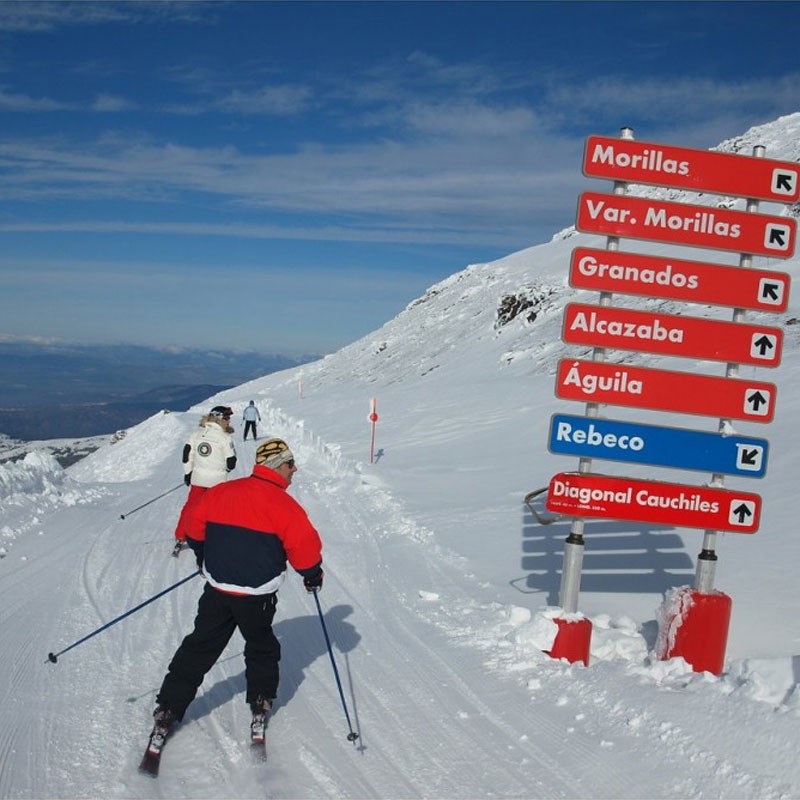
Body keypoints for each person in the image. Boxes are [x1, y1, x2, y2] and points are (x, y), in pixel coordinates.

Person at [146, 437, 323, 753]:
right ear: (277, 466)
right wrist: (312, 576)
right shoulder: (285, 505)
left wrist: (203, 558)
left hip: (218, 589)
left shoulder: (222, 493)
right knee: (261, 646)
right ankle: (260, 701)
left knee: (200, 646)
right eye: (290, 464)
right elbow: (305, 550)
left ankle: (168, 709)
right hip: (257, 596)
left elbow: (192, 528)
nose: (295, 469)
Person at [172, 405, 237, 557]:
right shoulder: (225, 437)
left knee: (190, 507)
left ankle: (181, 536)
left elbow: (187, 454)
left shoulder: (196, 434)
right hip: (218, 482)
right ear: (219, 418)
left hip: (198, 479)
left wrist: (188, 473)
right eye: (227, 417)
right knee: (216, 510)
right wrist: (224, 471)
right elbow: (231, 461)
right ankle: (213, 538)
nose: (229, 421)